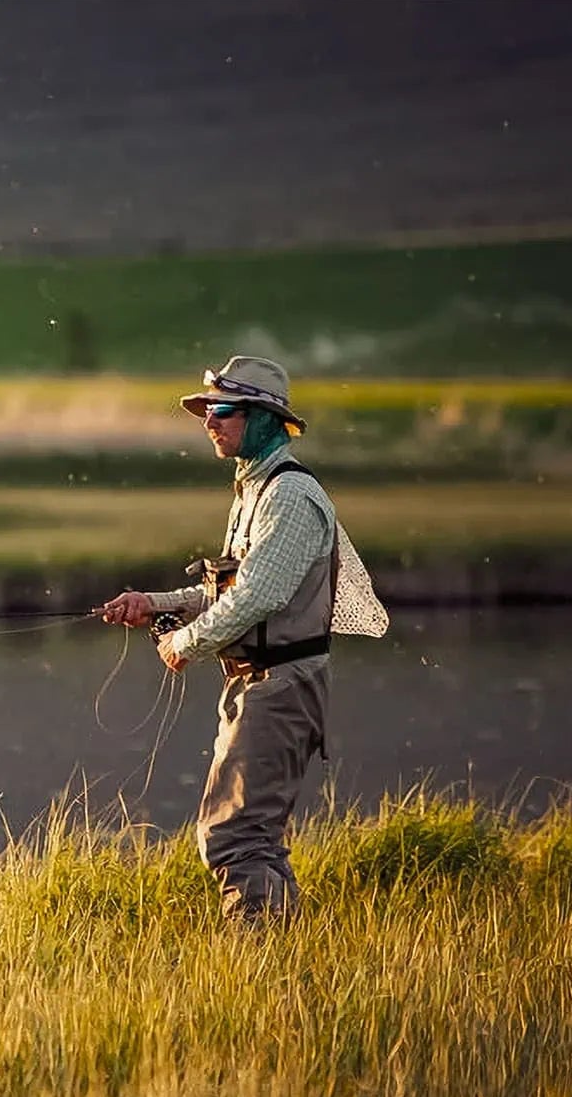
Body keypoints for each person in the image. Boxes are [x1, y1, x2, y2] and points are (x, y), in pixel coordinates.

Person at [100, 355, 386, 922]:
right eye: (206, 410)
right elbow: (234, 592)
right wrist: (153, 606)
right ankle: (286, 956)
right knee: (256, 838)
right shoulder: (253, 491)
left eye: (223, 410)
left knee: (234, 837)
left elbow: (259, 598)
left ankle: (259, 961)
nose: (210, 420)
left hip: (279, 687)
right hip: (259, 685)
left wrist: (182, 645)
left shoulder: (289, 496)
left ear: (264, 418)